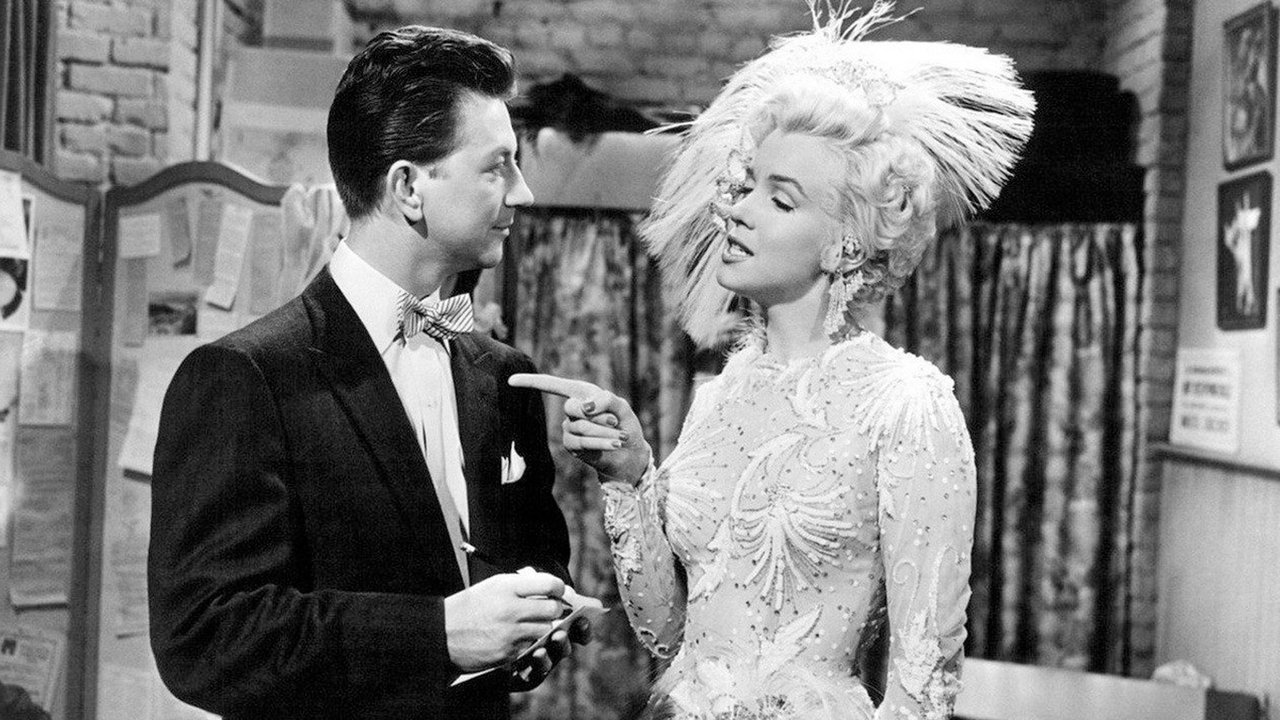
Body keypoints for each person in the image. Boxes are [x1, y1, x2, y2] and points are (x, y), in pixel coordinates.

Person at [512, 3, 1034, 719]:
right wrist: (630, 478)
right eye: (746, 185)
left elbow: (924, 685)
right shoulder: (720, 393)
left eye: (779, 199)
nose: (738, 209)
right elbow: (671, 636)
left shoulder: (906, 403)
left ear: (846, 243)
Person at [149, 26, 587, 720]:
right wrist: (440, 634)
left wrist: (539, 619)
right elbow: (204, 638)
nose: (524, 193)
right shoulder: (246, 378)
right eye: (498, 166)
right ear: (408, 186)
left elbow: (537, 556)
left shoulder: (506, 378)